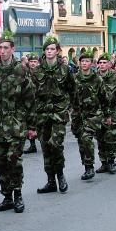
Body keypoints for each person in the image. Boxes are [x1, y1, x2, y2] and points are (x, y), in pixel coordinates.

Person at [0, 32, 36, 213]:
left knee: (14, 160)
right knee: (1, 162)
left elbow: (29, 98)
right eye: (0, 48)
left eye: (6, 48)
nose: (3, 51)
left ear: (13, 49)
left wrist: (31, 125)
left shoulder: (21, 70)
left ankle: (18, 195)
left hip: (16, 123)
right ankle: (7, 196)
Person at [33, 35, 75, 194]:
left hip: (59, 114)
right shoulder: (36, 71)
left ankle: (61, 175)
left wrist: (71, 108)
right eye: (47, 49)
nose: (49, 51)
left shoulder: (65, 69)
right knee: (45, 147)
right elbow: (32, 94)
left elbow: (72, 90)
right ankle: (50, 181)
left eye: (52, 49)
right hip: (42, 115)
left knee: (55, 144)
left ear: (57, 51)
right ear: (44, 52)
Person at [71, 50, 108, 180]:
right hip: (78, 115)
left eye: (87, 61)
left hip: (94, 115)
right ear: (79, 63)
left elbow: (104, 98)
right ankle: (87, 167)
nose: (84, 63)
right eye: (82, 61)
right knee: (81, 141)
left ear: (92, 63)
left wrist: (107, 115)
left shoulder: (97, 79)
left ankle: (90, 167)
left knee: (86, 138)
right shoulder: (74, 79)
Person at [96, 53, 116, 175]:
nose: (102, 65)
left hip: (113, 112)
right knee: (100, 139)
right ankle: (103, 162)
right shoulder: (95, 78)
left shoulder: (115, 78)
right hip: (99, 113)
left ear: (109, 64)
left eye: (104, 63)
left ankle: (111, 162)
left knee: (111, 138)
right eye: (100, 63)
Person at [23, 53, 41, 155]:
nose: (33, 63)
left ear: (37, 62)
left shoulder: (41, 73)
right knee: (29, 124)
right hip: (28, 102)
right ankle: (32, 145)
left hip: (39, 102)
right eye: (31, 62)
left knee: (40, 124)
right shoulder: (25, 73)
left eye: (35, 62)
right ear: (28, 62)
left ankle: (44, 143)